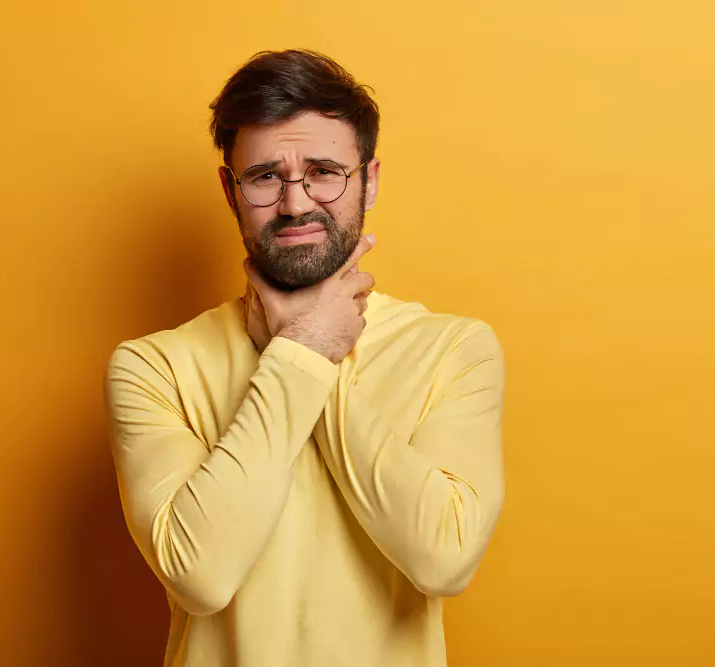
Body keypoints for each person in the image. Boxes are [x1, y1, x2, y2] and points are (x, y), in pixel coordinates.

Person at [104, 48, 505, 667]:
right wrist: (304, 351)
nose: (294, 205)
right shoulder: (153, 367)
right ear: (230, 191)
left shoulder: (454, 350)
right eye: (265, 176)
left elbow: (444, 559)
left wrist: (302, 350)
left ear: (369, 179)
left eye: (323, 171)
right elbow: (200, 575)